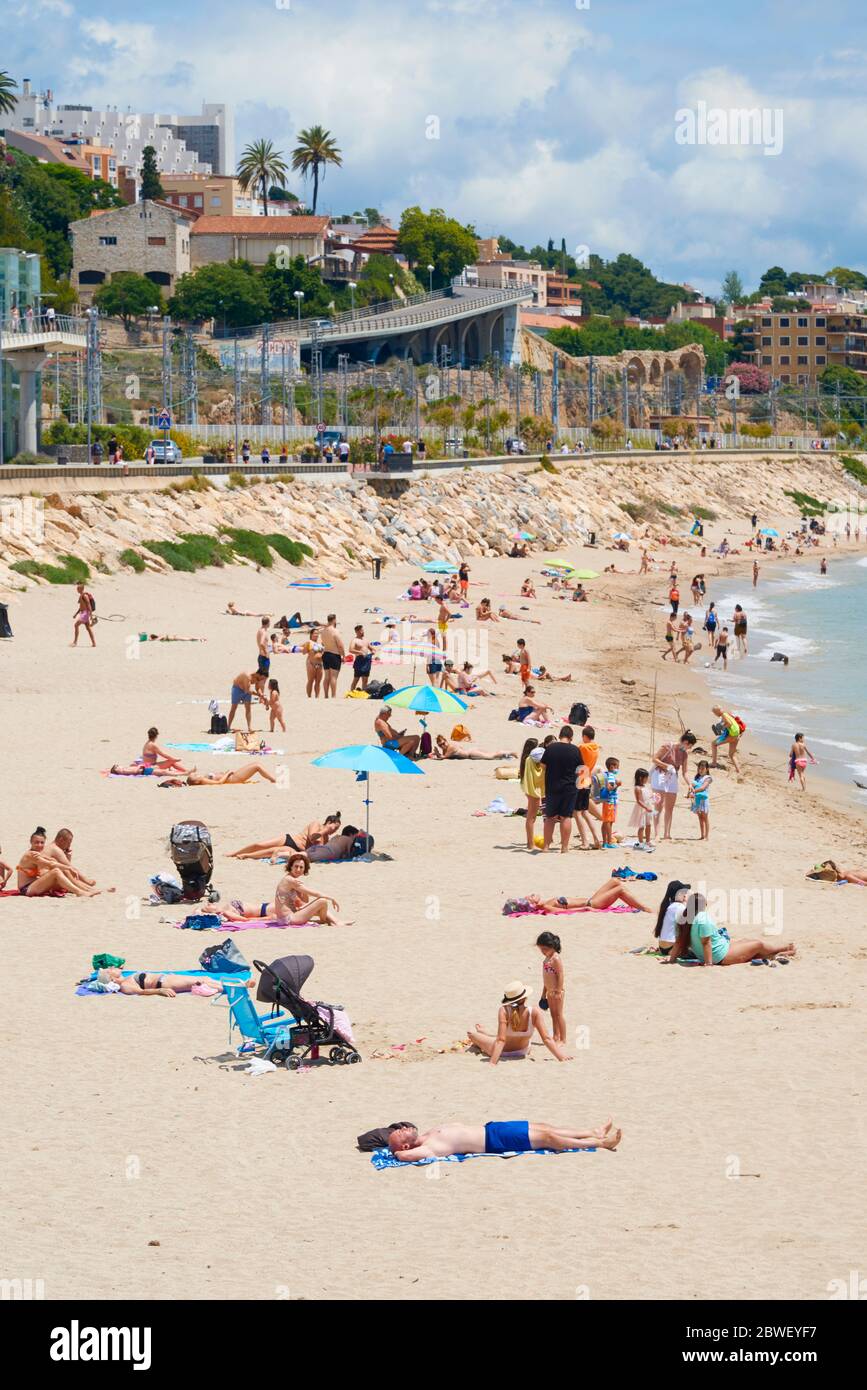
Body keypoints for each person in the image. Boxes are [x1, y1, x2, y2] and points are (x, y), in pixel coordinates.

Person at [387, 1117, 621, 1160]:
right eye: (400, 1132)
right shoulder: (429, 1147)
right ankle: (600, 1143)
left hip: (494, 1128)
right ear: (406, 1144)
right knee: (549, 1138)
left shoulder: (428, 1133)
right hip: (494, 1142)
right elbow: (403, 1155)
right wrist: (396, 1151)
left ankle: (593, 1132)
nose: (402, 1127)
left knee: (545, 1127)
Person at [662, 892, 795, 966]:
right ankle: (783, 948)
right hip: (720, 956)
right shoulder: (703, 918)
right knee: (757, 944)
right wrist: (709, 964)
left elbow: (679, 941)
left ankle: (777, 955)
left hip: (717, 950)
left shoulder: (685, 918)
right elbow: (706, 943)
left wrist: (672, 959)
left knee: (746, 942)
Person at [225, 851, 352, 926]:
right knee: (322, 901)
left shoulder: (292, 880)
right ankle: (332, 922)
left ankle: (332, 921)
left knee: (320, 904)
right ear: (290, 867)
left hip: (288, 917)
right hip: (288, 919)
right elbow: (313, 893)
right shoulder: (289, 880)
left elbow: (304, 902)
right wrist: (331, 897)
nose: (298, 869)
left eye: (301, 868)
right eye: (296, 866)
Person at [466, 982, 572, 1065]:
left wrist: (493, 1062)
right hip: (523, 1051)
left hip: (503, 1051)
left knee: (472, 1033)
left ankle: (482, 1033)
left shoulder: (504, 1011)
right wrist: (561, 1057)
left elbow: (501, 1040)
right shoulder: (534, 1012)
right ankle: (485, 1033)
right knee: (498, 1036)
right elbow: (547, 1039)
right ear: (525, 997)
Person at [16, 828, 102, 897]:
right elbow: (51, 864)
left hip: (34, 884)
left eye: (42, 843)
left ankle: (88, 890)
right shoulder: (31, 855)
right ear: (31, 842)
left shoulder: (37, 853)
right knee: (56, 871)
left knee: (62, 878)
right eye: (36, 842)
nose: (40, 845)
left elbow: (51, 861)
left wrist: (67, 860)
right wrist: (69, 868)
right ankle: (79, 892)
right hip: (26, 889)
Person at [230, 814, 341, 860]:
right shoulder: (316, 824)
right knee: (260, 845)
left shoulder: (327, 838)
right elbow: (312, 838)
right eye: (334, 827)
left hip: (296, 849)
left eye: (337, 829)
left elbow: (317, 850)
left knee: (270, 851)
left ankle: (246, 855)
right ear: (329, 822)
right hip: (290, 840)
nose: (334, 830)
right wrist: (325, 830)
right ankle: (233, 853)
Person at [541, 726, 581, 852]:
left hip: (552, 787)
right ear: (571, 737)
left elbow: (542, 766)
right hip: (569, 788)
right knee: (566, 817)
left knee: (550, 817)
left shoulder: (551, 748)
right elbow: (581, 769)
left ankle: (546, 847)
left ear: (560, 735)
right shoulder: (575, 750)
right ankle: (564, 847)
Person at [650, 731, 696, 840]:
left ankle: (667, 834)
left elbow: (685, 772)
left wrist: (689, 784)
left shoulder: (684, 754)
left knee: (669, 808)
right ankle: (656, 834)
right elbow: (654, 759)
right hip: (659, 777)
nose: (689, 749)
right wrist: (666, 765)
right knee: (658, 806)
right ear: (685, 742)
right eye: (689, 746)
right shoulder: (668, 746)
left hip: (672, 779)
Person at [521, 878, 653, 913]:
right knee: (620, 890)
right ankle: (645, 909)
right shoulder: (546, 907)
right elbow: (561, 911)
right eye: (530, 897)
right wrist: (585, 909)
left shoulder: (545, 903)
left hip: (591, 899)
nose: (532, 894)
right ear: (532, 904)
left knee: (615, 881)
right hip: (592, 904)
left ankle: (639, 905)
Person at [536, 932, 566, 1044]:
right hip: (549, 991)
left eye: (544, 949)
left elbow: (560, 975)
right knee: (553, 1015)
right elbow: (546, 978)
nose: (542, 952)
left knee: (559, 1015)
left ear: (552, 947)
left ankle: (563, 1039)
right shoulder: (546, 959)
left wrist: (558, 991)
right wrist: (543, 994)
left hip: (557, 992)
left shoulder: (555, 959)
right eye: (541, 950)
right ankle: (556, 1036)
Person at [158, 763, 277, 787]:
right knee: (257, 766)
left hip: (231, 775)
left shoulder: (200, 779)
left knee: (256, 765)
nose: (196, 774)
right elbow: (219, 783)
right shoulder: (204, 781)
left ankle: (273, 779)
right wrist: (228, 774)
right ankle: (274, 780)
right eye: (195, 776)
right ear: (197, 781)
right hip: (232, 778)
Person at [520, 737, 545, 850]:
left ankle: (529, 842)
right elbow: (538, 776)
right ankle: (530, 843)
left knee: (531, 817)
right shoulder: (530, 760)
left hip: (528, 790)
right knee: (531, 817)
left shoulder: (525, 760)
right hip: (532, 791)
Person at [653, 879, 690, 953]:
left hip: (662, 947)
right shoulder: (680, 907)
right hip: (673, 947)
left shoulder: (665, 906)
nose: (685, 894)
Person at [628, 768, 656, 850]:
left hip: (648, 807)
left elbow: (648, 796)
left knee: (649, 824)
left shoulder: (645, 786)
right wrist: (646, 807)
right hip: (641, 808)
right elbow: (638, 800)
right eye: (646, 778)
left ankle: (647, 841)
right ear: (640, 778)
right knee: (641, 826)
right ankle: (640, 842)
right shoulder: (637, 788)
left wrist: (654, 797)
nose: (647, 779)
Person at [710, 707, 742, 772]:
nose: (715, 714)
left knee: (713, 744)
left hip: (731, 736)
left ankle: (714, 763)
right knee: (731, 755)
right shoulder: (727, 714)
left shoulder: (723, 715)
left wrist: (722, 728)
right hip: (737, 735)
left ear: (718, 711)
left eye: (715, 713)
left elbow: (729, 724)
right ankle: (738, 771)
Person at [432, 734, 516, 760]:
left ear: (446, 741)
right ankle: (507, 753)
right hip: (471, 751)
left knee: (491, 756)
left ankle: (511, 752)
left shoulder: (450, 747)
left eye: (443, 743)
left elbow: (444, 757)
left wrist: (437, 753)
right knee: (492, 754)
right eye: (440, 745)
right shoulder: (446, 749)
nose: (442, 745)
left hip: (471, 754)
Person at [598, 756, 621, 848]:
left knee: (606, 822)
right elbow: (609, 788)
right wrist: (617, 785)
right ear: (612, 766)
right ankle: (609, 842)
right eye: (617, 767)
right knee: (609, 822)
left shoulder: (606, 774)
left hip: (607, 801)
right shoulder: (610, 776)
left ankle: (605, 842)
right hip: (610, 801)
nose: (618, 769)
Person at [321, 615, 345, 698]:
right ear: (334, 620)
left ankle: (326, 695)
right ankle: (333, 695)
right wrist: (343, 655)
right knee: (333, 677)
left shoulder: (323, 631)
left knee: (326, 676)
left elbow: (323, 643)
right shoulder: (335, 631)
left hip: (325, 653)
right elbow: (340, 645)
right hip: (334, 654)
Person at [688, 761, 712, 839]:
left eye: (702, 768)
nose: (700, 770)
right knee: (700, 818)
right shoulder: (697, 778)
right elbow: (692, 788)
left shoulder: (708, 778)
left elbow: (703, 788)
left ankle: (707, 836)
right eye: (699, 768)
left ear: (707, 769)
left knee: (705, 818)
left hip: (704, 800)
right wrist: (690, 794)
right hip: (697, 800)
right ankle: (702, 835)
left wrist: (693, 791)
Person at [71, 582, 96, 647]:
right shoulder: (81, 596)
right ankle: (94, 643)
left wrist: (91, 616)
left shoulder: (85, 596)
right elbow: (81, 606)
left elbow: (89, 605)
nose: (77, 589)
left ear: (81, 589)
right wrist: (76, 614)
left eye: (78, 588)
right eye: (77, 588)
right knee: (88, 628)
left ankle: (75, 642)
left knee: (76, 625)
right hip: (83, 613)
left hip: (85, 614)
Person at [349, 625, 373, 691]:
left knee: (365, 679)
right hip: (359, 660)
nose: (363, 632)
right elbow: (350, 650)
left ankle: (364, 693)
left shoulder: (366, 640)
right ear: (357, 631)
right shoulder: (354, 640)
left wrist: (373, 651)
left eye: (363, 630)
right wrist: (360, 652)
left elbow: (371, 648)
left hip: (366, 660)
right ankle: (351, 692)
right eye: (361, 631)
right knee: (356, 679)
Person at [304, 627, 324, 698]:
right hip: (311, 663)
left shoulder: (321, 643)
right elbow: (304, 652)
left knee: (318, 682)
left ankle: (317, 696)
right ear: (311, 634)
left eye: (317, 633)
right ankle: (309, 696)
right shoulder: (309, 642)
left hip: (320, 664)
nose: (316, 635)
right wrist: (309, 648)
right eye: (315, 633)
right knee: (310, 680)